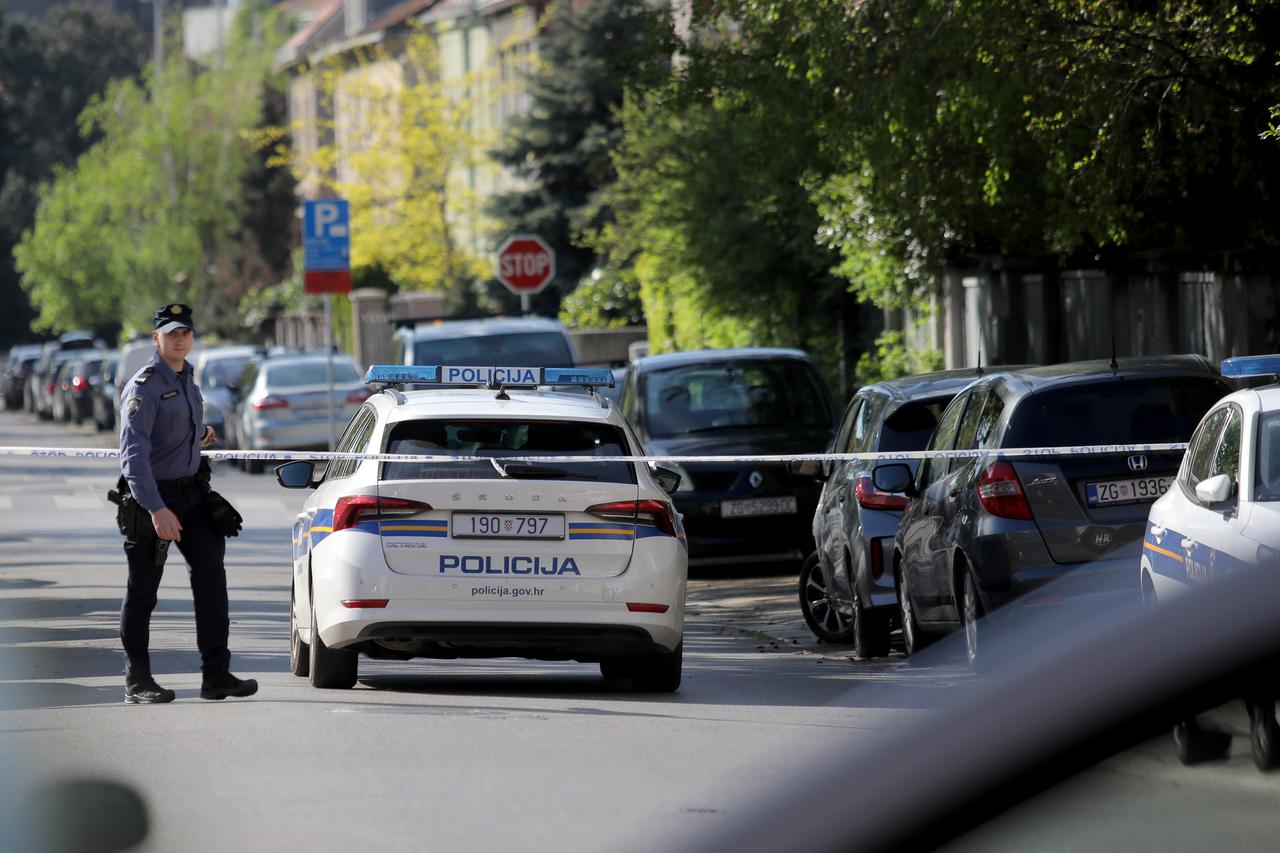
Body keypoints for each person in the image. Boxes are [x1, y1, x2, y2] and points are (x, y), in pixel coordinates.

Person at [116, 303, 256, 704]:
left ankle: (216, 675)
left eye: (186, 333)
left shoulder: (189, 378)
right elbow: (134, 456)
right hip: (152, 499)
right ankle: (137, 680)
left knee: (212, 580)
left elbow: (170, 434)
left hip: (192, 495)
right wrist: (156, 509)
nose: (180, 339)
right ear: (156, 338)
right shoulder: (143, 386)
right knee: (143, 591)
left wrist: (198, 436)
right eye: (172, 333)